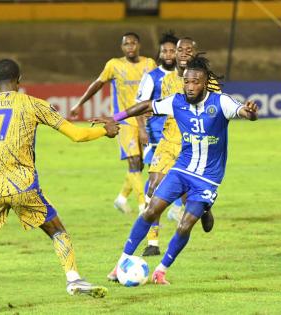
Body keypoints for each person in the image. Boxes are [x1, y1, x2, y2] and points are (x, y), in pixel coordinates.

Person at [0, 59, 120, 314]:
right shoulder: (34, 104)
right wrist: (105, 132)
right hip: (24, 186)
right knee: (56, 230)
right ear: (19, 80)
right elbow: (77, 135)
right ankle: (73, 278)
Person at [104, 54, 258, 284]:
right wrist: (115, 117)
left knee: (185, 225)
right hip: (182, 170)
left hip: (208, 179)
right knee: (150, 210)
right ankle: (120, 263)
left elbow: (244, 113)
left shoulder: (221, 102)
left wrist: (251, 113)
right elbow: (147, 105)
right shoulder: (177, 102)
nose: (190, 86)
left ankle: (161, 270)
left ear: (205, 83)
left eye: (195, 82)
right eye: (186, 81)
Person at [70, 32, 156, 214]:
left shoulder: (149, 64)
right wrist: (80, 103)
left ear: (139, 45)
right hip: (123, 122)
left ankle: (121, 198)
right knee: (133, 162)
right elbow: (98, 84)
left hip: (146, 120)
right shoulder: (114, 65)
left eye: (133, 43)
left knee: (140, 164)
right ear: (122, 47)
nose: (130, 47)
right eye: (126, 44)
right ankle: (144, 208)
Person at [137, 37, 199, 256]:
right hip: (164, 140)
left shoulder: (203, 79)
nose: (177, 54)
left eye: (183, 50)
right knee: (153, 185)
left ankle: (202, 209)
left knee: (189, 196)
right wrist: (144, 126)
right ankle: (152, 243)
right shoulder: (161, 80)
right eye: (175, 50)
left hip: (191, 144)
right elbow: (150, 106)